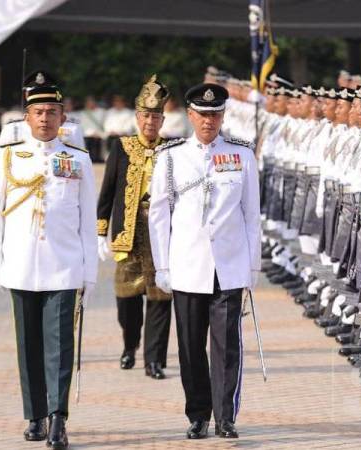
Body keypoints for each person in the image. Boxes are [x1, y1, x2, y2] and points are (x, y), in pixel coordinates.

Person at [0, 70, 97, 450]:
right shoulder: (7, 157)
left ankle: (57, 419)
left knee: (60, 346)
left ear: (63, 117)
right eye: (39, 112)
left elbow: (87, 221)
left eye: (52, 111)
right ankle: (33, 414)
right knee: (28, 345)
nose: (45, 118)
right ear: (27, 117)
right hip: (19, 266)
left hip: (64, 267)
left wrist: (89, 272)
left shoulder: (78, 160)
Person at [148, 83, 261, 439]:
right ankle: (198, 413)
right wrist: (162, 266)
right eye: (202, 114)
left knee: (227, 347)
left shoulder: (241, 155)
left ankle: (225, 415)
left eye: (215, 114)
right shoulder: (171, 157)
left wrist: (252, 266)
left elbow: (251, 215)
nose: (208, 121)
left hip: (227, 266)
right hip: (187, 266)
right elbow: (159, 214)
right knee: (190, 346)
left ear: (223, 115)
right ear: (190, 115)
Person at [96, 75, 173, 379]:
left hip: (160, 236)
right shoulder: (122, 148)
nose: (150, 122)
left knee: (160, 297)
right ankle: (130, 345)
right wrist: (102, 230)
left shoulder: (172, 149)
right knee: (126, 299)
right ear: (137, 117)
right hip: (128, 235)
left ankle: (154, 360)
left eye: (155, 116)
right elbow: (107, 191)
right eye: (145, 116)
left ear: (163, 119)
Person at [79, 95, 106, 162]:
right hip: (88, 134)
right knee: (88, 140)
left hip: (99, 133)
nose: (90, 104)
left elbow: (104, 124)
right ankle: (89, 158)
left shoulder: (101, 112)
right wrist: (91, 133)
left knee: (99, 140)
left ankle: (99, 158)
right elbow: (83, 126)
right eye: (88, 103)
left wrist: (97, 133)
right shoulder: (83, 113)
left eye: (92, 102)